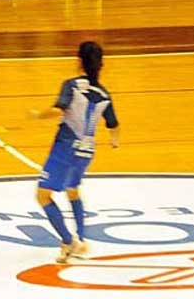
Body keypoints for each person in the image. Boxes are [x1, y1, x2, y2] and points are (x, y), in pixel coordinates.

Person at [28, 41, 120, 263]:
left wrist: (37, 115)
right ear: (101, 65)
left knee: (43, 195)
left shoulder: (71, 85)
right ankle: (82, 239)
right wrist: (114, 141)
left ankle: (68, 241)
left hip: (66, 146)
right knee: (72, 190)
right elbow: (113, 124)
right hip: (87, 150)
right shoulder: (104, 93)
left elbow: (58, 108)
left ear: (78, 61)